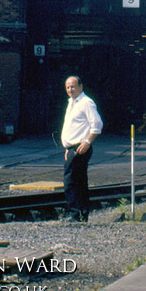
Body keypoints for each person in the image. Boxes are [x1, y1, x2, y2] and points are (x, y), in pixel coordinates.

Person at [60, 76, 103, 222]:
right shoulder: (72, 103)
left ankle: (75, 214)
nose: (70, 90)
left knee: (70, 181)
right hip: (73, 148)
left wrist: (87, 142)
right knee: (79, 181)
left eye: (72, 86)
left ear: (80, 86)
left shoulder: (86, 103)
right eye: (67, 87)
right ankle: (82, 214)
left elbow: (97, 124)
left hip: (80, 148)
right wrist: (67, 147)